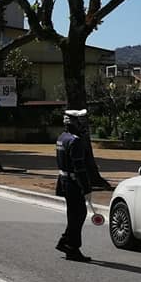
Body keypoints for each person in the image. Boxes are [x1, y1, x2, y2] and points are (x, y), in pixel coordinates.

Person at [55, 109, 93, 262]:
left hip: (64, 180)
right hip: (73, 182)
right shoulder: (75, 141)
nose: (82, 125)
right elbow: (79, 168)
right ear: (73, 123)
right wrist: (86, 188)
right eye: (80, 122)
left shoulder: (62, 138)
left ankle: (66, 242)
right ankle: (72, 247)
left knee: (73, 215)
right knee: (78, 215)